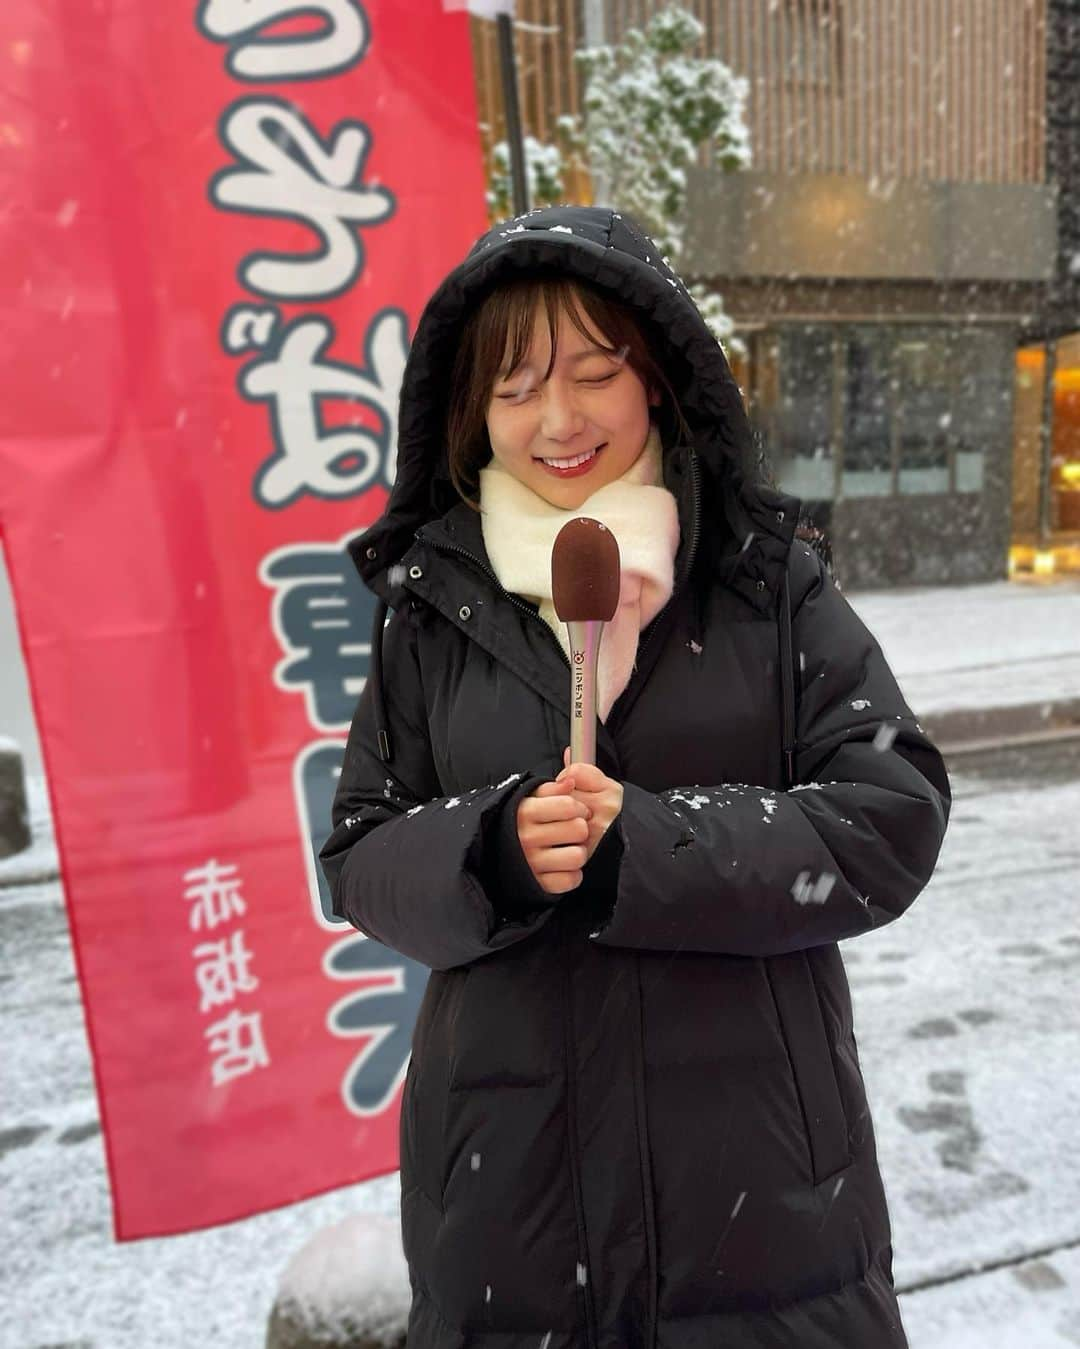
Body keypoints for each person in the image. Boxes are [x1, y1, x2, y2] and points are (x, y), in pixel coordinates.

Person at [319, 205, 950, 1349]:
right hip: (502, 1202)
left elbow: (891, 813)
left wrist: (650, 850)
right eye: (514, 386)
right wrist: (492, 850)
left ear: (655, 380)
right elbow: (358, 850)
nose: (557, 418)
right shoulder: (431, 609)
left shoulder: (769, 584)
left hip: (764, 1206)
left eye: (594, 372)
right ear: (474, 412)